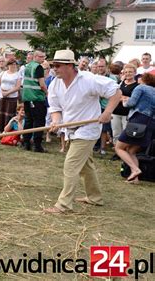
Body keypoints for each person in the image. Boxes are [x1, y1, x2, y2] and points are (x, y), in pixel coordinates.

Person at [44, 50, 121, 214]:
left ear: (69, 66)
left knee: (71, 164)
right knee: (86, 165)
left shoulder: (89, 80)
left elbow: (116, 91)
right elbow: (55, 107)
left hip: (88, 129)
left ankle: (63, 205)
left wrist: (107, 112)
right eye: (53, 66)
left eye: (57, 66)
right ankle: (95, 198)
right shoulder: (55, 84)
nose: (54, 69)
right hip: (71, 129)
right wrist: (57, 121)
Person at [115, 73, 155, 184]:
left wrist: (124, 101)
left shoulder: (141, 87)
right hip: (151, 123)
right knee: (131, 151)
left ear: (144, 80)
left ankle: (136, 169)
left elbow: (130, 103)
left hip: (138, 120)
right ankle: (135, 179)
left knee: (119, 148)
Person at [110, 64, 139, 160]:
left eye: (130, 72)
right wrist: (123, 98)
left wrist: (122, 98)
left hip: (127, 113)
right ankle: (117, 152)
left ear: (135, 73)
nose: (128, 74)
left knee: (125, 134)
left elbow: (133, 100)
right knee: (115, 133)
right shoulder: (120, 82)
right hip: (116, 111)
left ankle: (125, 153)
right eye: (126, 72)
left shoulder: (137, 86)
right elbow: (114, 95)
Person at [21, 50, 48, 152]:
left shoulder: (27, 66)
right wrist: (47, 92)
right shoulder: (38, 67)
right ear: (36, 56)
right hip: (36, 98)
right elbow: (41, 84)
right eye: (41, 57)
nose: (43, 59)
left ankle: (26, 143)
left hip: (27, 97)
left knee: (28, 120)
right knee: (39, 121)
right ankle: (37, 146)